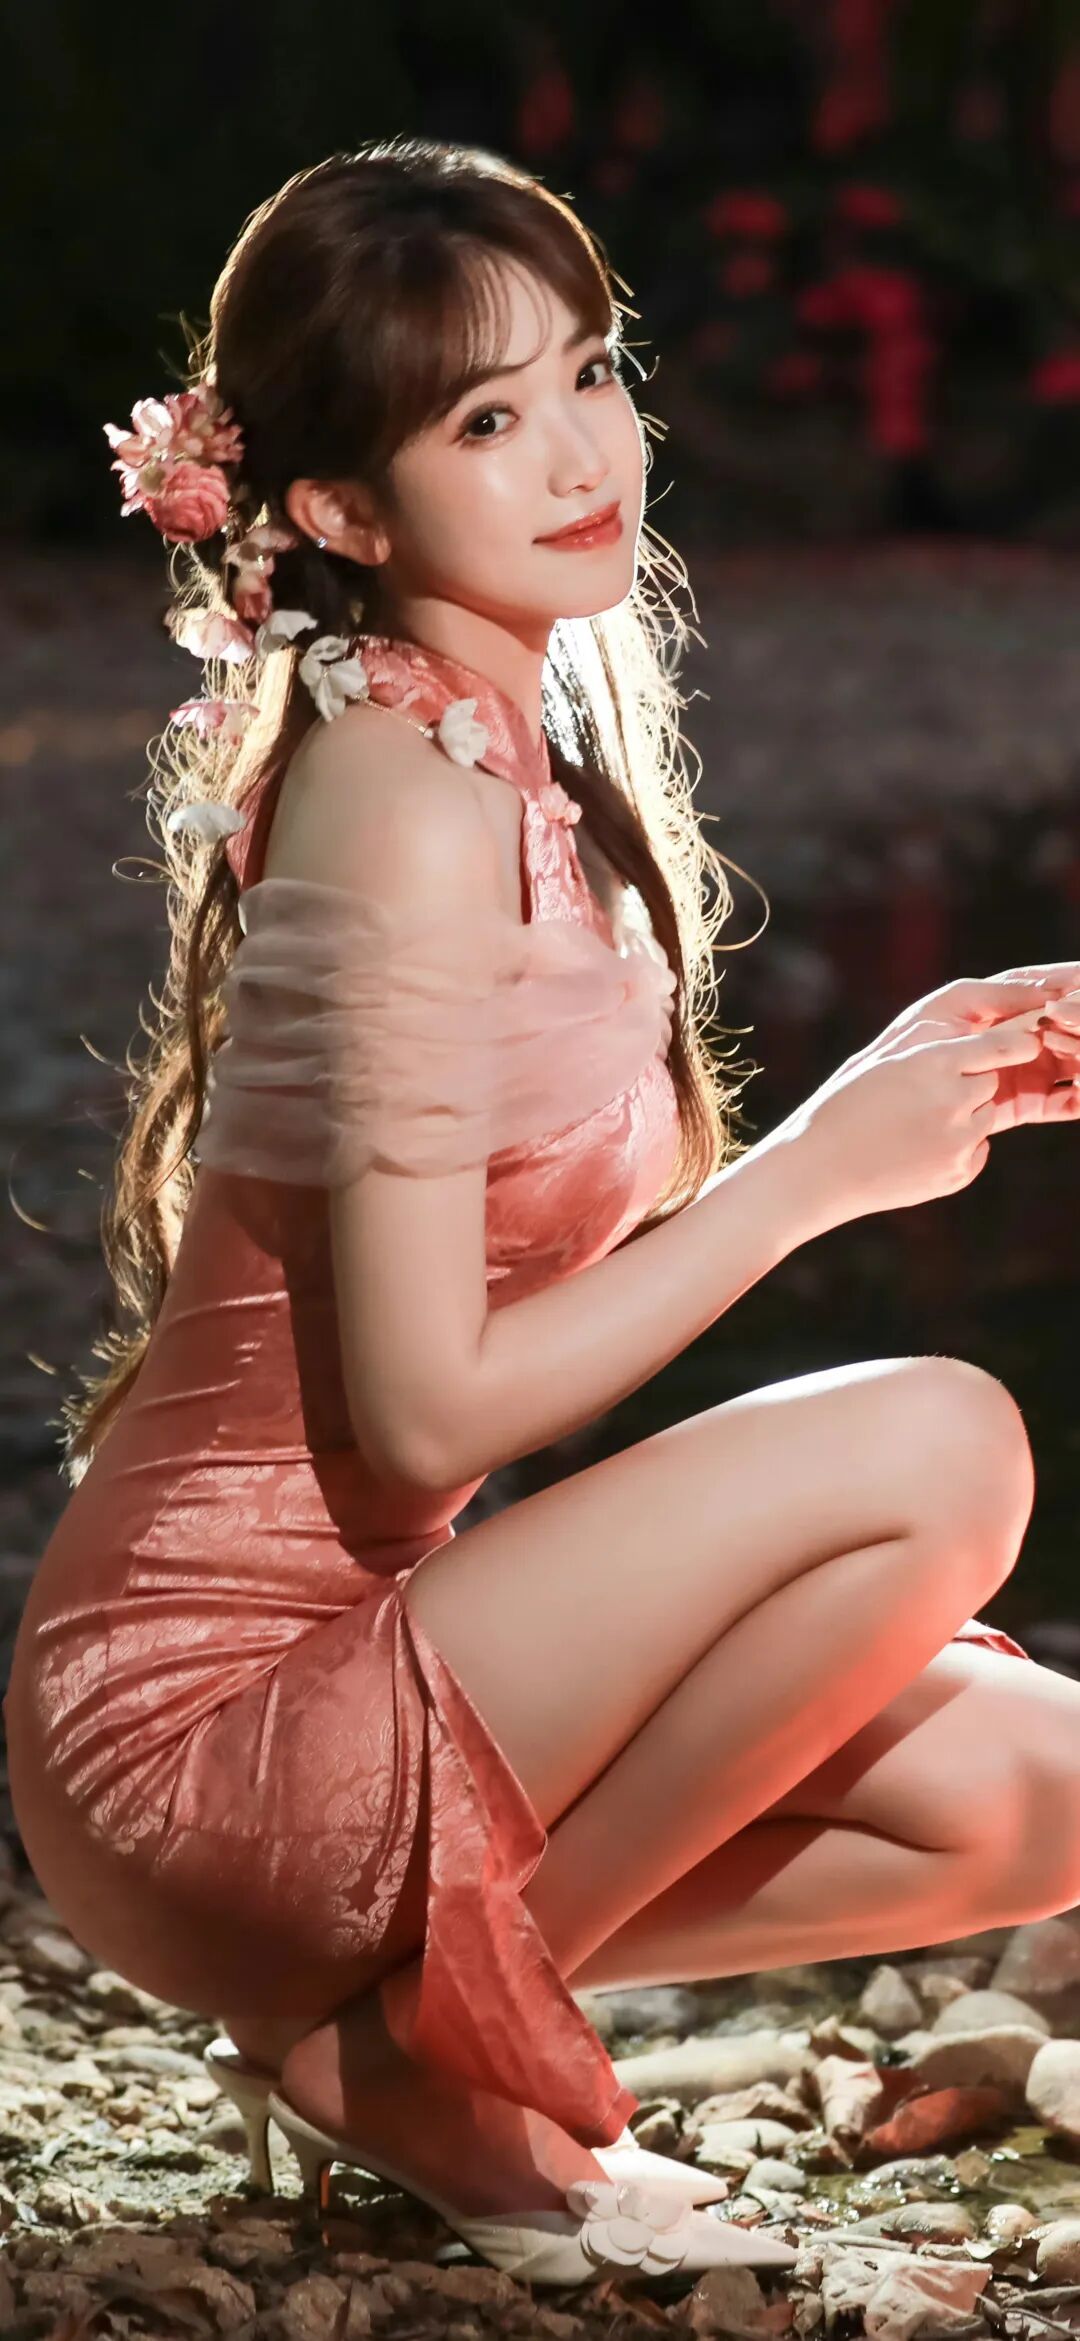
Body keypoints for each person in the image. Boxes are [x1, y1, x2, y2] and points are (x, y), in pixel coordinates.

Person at [7, 136, 1080, 2288]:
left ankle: (417, 2021)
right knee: (949, 1441)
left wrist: (882, 1087)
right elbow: (428, 1417)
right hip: (204, 1734)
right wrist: (815, 1178)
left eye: (591, 372)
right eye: (488, 420)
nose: (586, 453)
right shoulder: (397, 799)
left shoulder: (498, 737)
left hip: (383, 1663)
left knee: (1042, 1796)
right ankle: (445, 2040)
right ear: (338, 509)